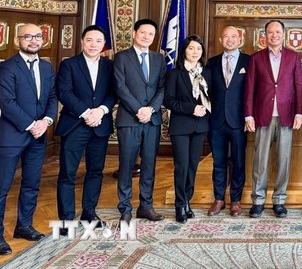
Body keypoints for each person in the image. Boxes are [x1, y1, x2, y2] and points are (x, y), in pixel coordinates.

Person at [0, 23, 57, 255]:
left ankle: (24, 226)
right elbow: (7, 102)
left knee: (32, 183)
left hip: (39, 136)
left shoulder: (47, 67)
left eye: (37, 36)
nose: (33, 40)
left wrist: (47, 122)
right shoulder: (6, 68)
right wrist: (32, 124)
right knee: (2, 187)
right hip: (12, 136)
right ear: (17, 41)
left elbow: (52, 97)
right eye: (27, 37)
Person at [55, 25, 116, 234]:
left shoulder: (110, 66)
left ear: (103, 44)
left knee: (95, 171)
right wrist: (86, 112)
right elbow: (64, 92)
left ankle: (89, 213)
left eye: (98, 41)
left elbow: (113, 93)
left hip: (100, 125)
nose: (93, 44)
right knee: (67, 174)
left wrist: (100, 110)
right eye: (89, 40)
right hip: (74, 125)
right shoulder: (69, 64)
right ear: (82, 41)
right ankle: (66, 219)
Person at [244, 20, 302, 218]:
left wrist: (299, 113)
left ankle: (279, 200)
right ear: (265, 35)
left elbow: (298, 86)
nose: (274, 35)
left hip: (286, 116)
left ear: (283, 34)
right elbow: (250, 88)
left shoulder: (294, 57)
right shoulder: (256, 58)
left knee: (283, 160)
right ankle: (258, 200)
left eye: (278, 32)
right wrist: (248, 115)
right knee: (260, 160)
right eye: (271, 32)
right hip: (263, 115)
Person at [113, 18, 166, 223]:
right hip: (129, 119)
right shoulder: (121, 57)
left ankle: (146, 206)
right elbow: (120, 87)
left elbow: (162, 87)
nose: (146, 37)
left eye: (151, 34)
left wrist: (151, 109)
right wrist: (138, 109)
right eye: (143, 32)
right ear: (134, 33)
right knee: (126, 165)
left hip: (152, 121)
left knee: (149, 165)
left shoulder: (159, 59)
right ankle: (125, 208)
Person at [163, 35, 211, 223]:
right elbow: (169, 100)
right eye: (191, 48)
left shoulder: (206, 73)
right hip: (181, 126)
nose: (195, 52)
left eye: (198, 49)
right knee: (181, 166)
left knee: (193, 166)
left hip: (200, 127)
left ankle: (187, 200)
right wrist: (191, 108)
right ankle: (179, 203)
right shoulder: (175, 74)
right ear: (184, 51)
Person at [207, 26, 250, 217]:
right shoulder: (211, 62)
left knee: (239, 161)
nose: (230, 40)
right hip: (216, 120)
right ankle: (218, 199)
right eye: (226, 36)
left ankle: (235, 200)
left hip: (240, 120)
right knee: (218, 162)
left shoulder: (249, 61)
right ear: (220, 40)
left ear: (240, 40)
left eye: (234, 37)